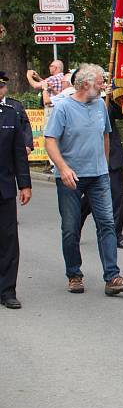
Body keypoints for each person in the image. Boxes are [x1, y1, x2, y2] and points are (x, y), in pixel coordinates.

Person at [43, 64, 123, 296]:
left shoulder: (99, 106)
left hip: (98, 177)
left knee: (107, 224)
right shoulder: (63, 108)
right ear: (85, 84)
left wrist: (103, 165)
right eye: (100, 81)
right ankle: (74, 274)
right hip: (70, 178)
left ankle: (112, 277)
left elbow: (105, 134)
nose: (104, 85)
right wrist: (63, 168)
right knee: (71, 228)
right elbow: (50, 141)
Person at [79, 99, 123, 249]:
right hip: (92, 158)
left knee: (116, 196)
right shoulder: (78, 103)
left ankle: (117, 235)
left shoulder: (107, 101)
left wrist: (115, 97)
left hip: (112, 157)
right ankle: (76, 224)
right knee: (91, 198)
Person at [0, 72, 32, 309]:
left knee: (9, 240)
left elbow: (18, 153)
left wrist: (25, 184)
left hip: (4, 188)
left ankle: (8, 290)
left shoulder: (11, 113)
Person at [0, 71, 33, 154]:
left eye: (1, 87)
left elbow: (25, 125)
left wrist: (27, 145)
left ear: (5, 88)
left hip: (13, 149)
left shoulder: (16, 105)